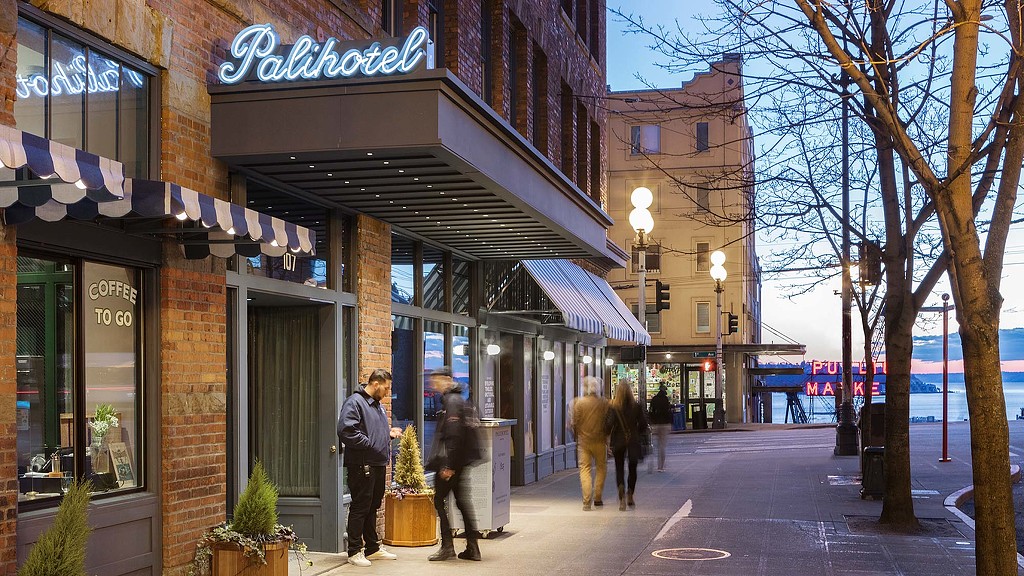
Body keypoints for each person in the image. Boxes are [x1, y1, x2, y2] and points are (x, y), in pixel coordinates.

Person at [337, 369, 403, 567]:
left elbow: (372, 431)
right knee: (360, 507)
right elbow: (346, 430)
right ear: (376, 383)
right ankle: (354, 551)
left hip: (377, 462)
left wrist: (387, 434)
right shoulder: (355, 402)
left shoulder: (377, 406)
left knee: (372, 506)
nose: (387, 392)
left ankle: (372, 548)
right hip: (362, 464)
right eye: (386, 388)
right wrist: (369, 443)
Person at [425, 366, 482, 562]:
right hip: (459, 461)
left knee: (439, 500)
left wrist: (448, 465)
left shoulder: (452, 400)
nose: (434, 385)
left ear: (447, 379)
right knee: (462, 502)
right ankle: (472, 548)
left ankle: (448, 547)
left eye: (437, 380)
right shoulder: (457, 398)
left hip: (452, 462)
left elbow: (454, 434)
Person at [606, 379, 649, 511]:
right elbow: (643, 425)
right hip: (633, 441)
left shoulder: (614, 407)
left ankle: (621, 494)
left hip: (619, 441)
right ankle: (630, 493)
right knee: (632, 468)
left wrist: (608, 438)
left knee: (619, 468)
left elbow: (608, 425)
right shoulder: (636, 406)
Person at [571, 376, 610, 510]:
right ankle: (598, 497)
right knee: (601, 468)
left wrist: (577, 436)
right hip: (600, 441)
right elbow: (608, 422)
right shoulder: (604, 403)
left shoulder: (579, 403)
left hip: (584, 442)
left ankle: (586, 501)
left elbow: (575, 423)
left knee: (585, 469)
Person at [648, 385, 673, 472]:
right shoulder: (666, 400)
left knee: (654, 444)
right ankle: (661, 466)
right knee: (662, 446)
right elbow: (668, 411)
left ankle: (652, 464)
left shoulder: (654, 399)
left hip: (655, 424)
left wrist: (651, 421)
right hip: (664, 424)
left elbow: (651, 410)